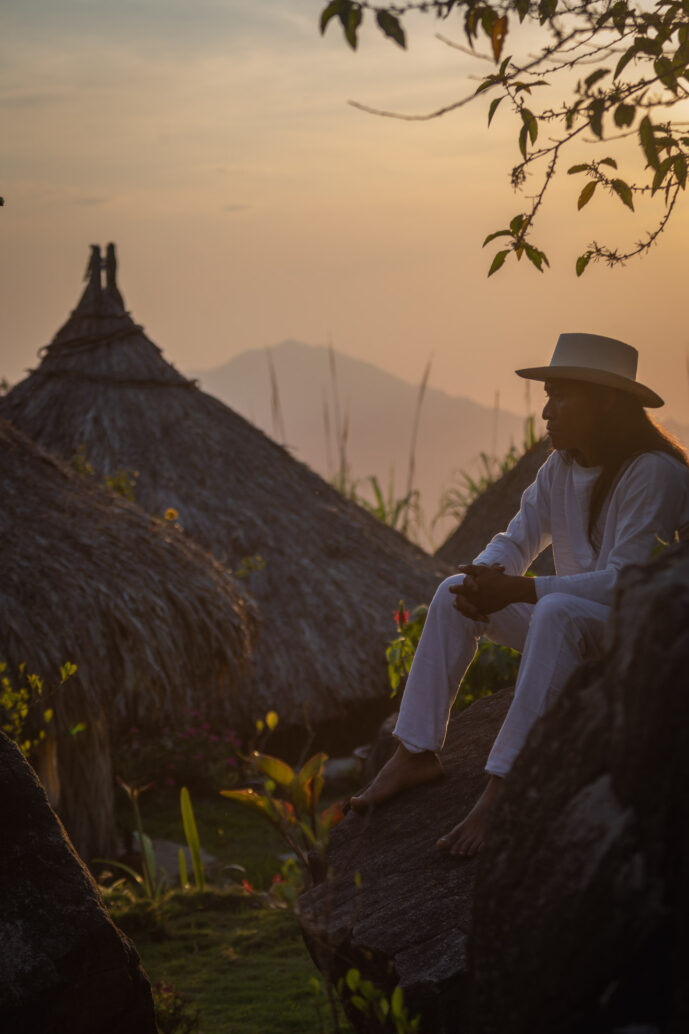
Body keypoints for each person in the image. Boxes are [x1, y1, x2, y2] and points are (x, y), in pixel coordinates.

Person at [351, 333, 689, 856]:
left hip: (640, 643)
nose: (547, 412)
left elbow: (628, 581)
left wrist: (523, 589)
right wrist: (485, 578)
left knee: (553, 608)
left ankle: (505, 786)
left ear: (605, 401)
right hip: (579, 629)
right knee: (452, 590)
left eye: (560, 397)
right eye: (546, 397)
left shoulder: (655, 472)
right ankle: (415, 749)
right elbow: (518, 538)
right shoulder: (561, 467)